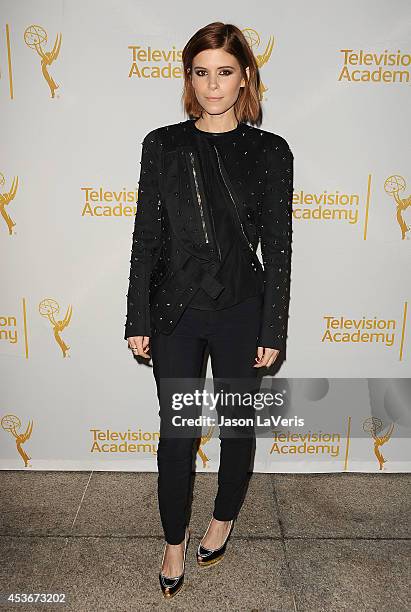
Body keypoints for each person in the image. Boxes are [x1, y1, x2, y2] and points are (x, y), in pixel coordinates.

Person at [124, 21, 294, 599]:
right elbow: (146, 236)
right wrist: (137, 318)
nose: (212, 85)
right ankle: (173, 542)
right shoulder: (163, 144)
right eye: (201, 72)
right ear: (188, 77)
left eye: (224, 72)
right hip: (175, 310)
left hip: (243, 309)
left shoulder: (270, 151)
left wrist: (273, 325)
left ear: (244, 75)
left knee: (237, 427)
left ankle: (222, 518)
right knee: (177, 433)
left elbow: (279, 245)